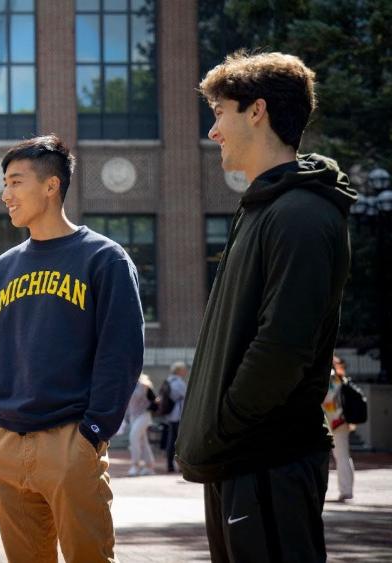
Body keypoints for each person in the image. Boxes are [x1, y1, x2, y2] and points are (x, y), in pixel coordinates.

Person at [175, 51, 356, 562]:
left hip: (265, 460)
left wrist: (225, 425)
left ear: (256, 111)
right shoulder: (264, 207)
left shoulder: (301, 214)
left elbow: (282, 346)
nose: (213, 132)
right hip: (240, 461)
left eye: (219, 113)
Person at [0, 135, 144, 562]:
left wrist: (92, 433)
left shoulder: (104, 258)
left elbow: (120, 353)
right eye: (5, 183)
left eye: (16, 182)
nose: (5, 194)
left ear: (51, 186)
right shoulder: (6, 265)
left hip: (70, 441)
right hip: (4, 444)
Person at [323, 355, 355, 502]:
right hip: (340, 422)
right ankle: (347, 490)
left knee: (335, 458)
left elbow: (326, 400)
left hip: (331, 423)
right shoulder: (341, 378)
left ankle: (345, 490)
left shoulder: (329, 378)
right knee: (342, 457)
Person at [124, 374, 156, 477]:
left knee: (133, 437)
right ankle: (149, 466)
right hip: (133, 416)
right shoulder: (127, 384)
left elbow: (154, 400)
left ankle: (135, 466)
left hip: (144, 415)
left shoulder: (144, 384)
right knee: (143, 441)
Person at [163, 361, 188, 473]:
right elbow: (187, 396)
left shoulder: (168, 380)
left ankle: (170, 465)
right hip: (178, 416)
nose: (185, 371)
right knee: (180, 441)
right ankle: (181, 466)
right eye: (183, 369)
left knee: (171, 440)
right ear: (179, 371)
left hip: (170, 415)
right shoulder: (179, 383)